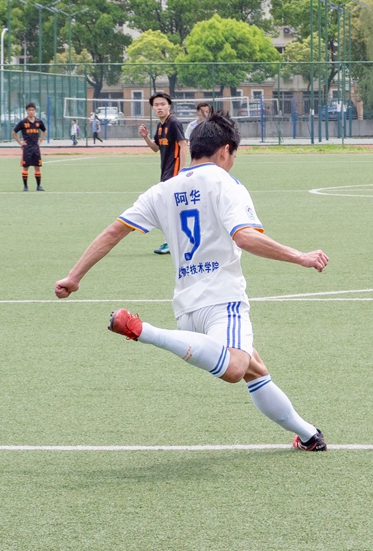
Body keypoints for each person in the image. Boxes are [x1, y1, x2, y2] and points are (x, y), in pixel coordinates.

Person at [54, 114, 330, 451]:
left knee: (254, 369)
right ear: (226, 150)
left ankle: (308, 436)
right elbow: (244, 237)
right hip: (222, 299)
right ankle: (145, 331)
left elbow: (114, 232)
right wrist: (300, 256)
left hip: (187, 307)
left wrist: (74, 276)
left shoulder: (162, 190)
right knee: (235, 367)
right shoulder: (226, 183)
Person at [139, 91, 188, 255]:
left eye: (162, 104)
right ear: (153, 108)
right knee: (171, 207)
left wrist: (182, 170)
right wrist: (146, 138)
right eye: (156, 105)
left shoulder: (173, 123)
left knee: (169, 207)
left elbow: (183, 144)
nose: (159, 107)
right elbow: (156, 148)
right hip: (165, 171)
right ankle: (179, 239)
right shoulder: (160, 126)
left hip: (174, 172)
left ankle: (171, 242)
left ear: (169, 106)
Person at [12, 103, 47, 191]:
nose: (31, 112)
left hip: (35, 147)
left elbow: (44, 131)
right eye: (29, 110)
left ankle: (38, 186)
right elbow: (14, 132)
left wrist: (40, 141)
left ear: (35, 111)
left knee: (37, 166)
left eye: (32, 110)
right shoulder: (23, 122)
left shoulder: (39, 122)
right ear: (27, 111)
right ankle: (25, 186)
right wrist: (20, 142)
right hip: (27, 148)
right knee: (26, 166)